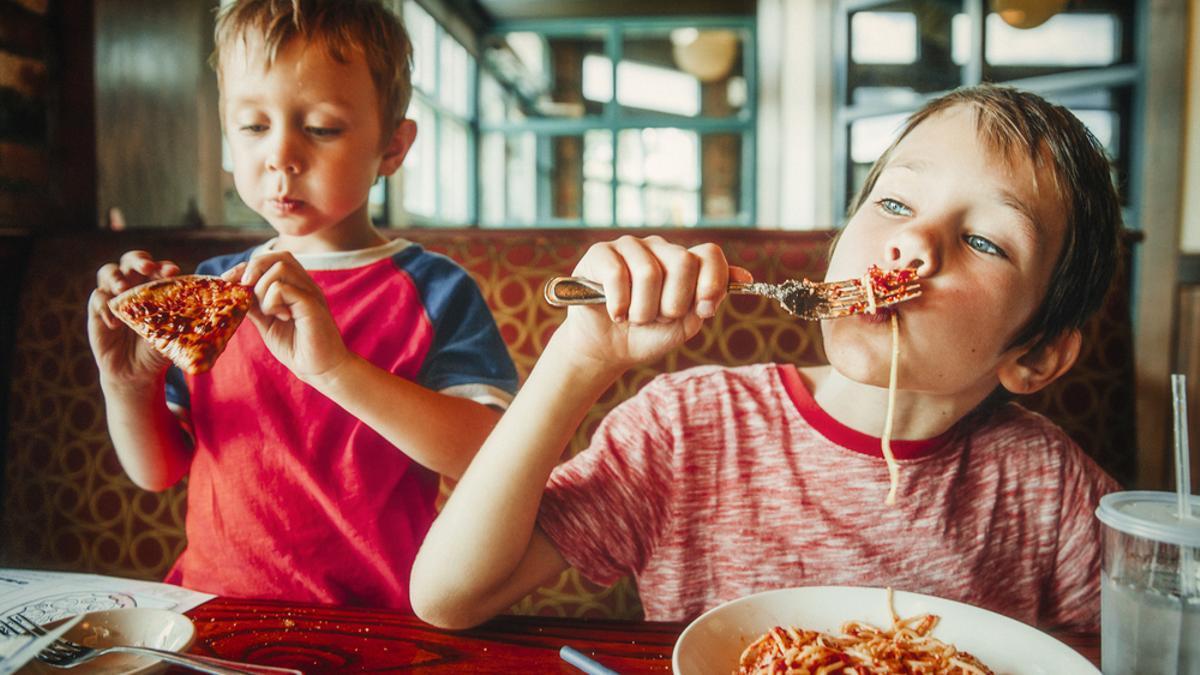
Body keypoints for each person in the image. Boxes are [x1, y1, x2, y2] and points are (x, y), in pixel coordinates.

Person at [410, 84, 1123, 632]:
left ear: (1035, 355)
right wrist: (578, 356)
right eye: (897, 204)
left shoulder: (1049, 486)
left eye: (986, 241)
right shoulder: (689, 426)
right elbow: (450, 594)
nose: (912, 245)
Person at [86, 0, 517, 610]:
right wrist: (127, 385)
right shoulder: (213, 289)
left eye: (320, 128)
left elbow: (489, 456)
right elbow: (158, 471)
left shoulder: (435, 290)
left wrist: (337, 370)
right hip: (210, 610)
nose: (280, 156)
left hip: (378, 621)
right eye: (254, 126)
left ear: (392, 147)